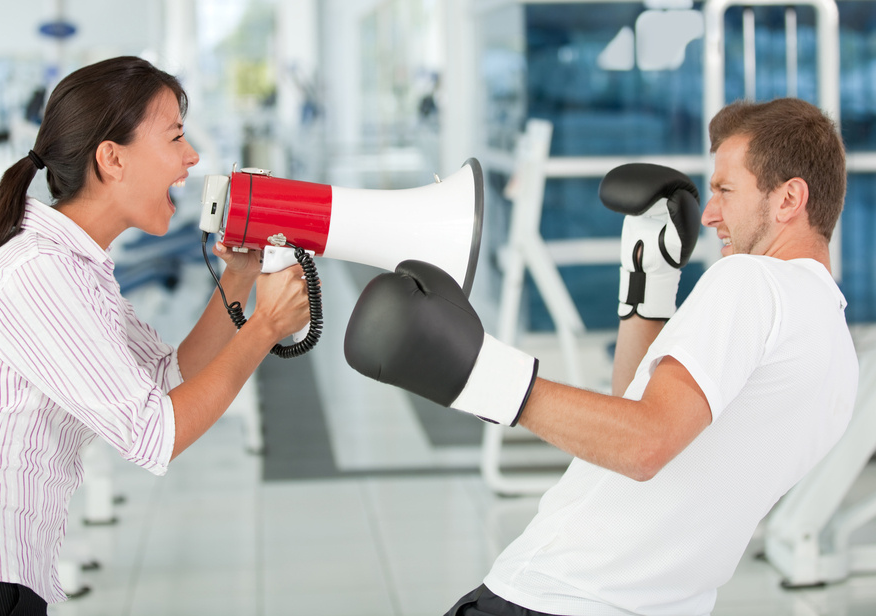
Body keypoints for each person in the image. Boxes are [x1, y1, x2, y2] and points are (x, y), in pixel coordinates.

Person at [344, 97, 858, 616]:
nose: (709, 213)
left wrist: (481, 376)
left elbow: (645, 444)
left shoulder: (750, 280)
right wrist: (648, 281)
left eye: (727, 189)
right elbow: (640, 405)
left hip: (562, 595)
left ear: (789, 198)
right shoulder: (835, 350)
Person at [0, 56, 310, 615]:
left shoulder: (76, 266)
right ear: (112, 158)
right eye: (176, 136)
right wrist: (265, 328)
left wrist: (238, 278)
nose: (192, 157)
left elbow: (167, 378)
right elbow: (156, 435)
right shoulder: (40, 272)